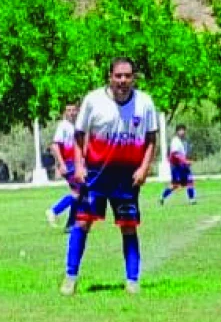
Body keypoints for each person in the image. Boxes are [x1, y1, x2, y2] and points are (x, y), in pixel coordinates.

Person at [61, 58, 157, 296]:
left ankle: (132, 280)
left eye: (127, 76)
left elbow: (151, 139)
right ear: (110, 77)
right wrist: (80, 166)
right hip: (96, 175)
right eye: (118, 76)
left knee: (129, 228)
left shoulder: (144, 103)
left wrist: (144, 168)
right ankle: (70, 278)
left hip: (126, 177)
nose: (123, 81)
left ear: (134, 78)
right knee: (82, 222)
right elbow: (79, 135)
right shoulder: (93, 101)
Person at [45, 103, 80, 231]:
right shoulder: (63, 126)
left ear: (77, 111)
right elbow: (55, 146)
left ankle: (71, 225)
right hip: (69, 164)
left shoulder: (77, 126)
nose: (71, 112)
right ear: (65, 112)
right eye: (68, 110)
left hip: (76, 163)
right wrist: (62, 164)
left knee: (78, 194)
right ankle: (54, 211)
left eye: (73, 110)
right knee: (79, 192)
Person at [159, 125, 196, 205]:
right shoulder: (175, 141)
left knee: (190, 181)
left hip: (183, 166)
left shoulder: (182, 142)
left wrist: (186, 161)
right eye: (180, 130)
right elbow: (175, 154)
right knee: (175, 185)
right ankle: (162, 197)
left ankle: (192, 199)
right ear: (177, 132)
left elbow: (182, 154)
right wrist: (185, 161)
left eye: (184, 130)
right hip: (176, 167)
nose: (182, 132)